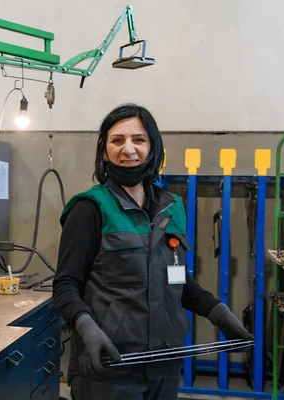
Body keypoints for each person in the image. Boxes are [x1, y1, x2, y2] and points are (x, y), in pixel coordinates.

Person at [52, 103, 253, 400]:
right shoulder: (89, 209)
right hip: (109, 370)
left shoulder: (171, 207)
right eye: (117, 140)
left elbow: (177, 280)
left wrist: (219, 313)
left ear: (153, 146)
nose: (128, 149)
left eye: (139, 140)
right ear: (104, 150)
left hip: (165, 365)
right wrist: (87, 328)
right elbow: (65, 285)